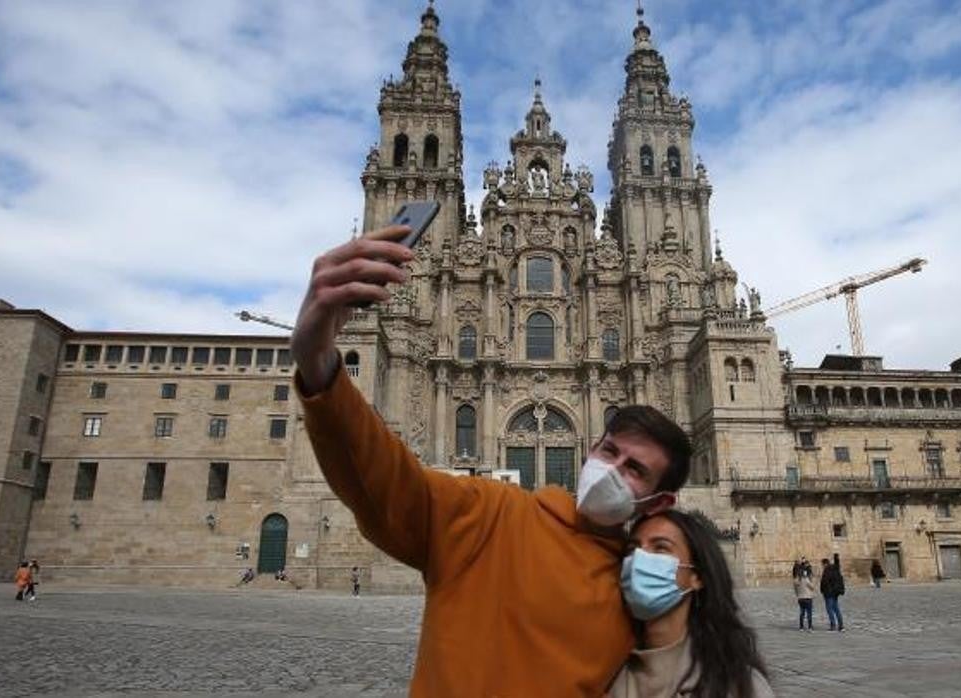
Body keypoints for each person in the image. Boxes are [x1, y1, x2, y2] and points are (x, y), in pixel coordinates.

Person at [291, 222, 693, 695]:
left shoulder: (645, 589)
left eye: (635, 470)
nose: (612, 471)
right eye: (609, 451)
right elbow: (386, 482)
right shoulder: (487, 515)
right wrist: (320, 367)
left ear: (659, 503)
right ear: (589, 450)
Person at [608, 510, 773, 697]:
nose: (639, 558)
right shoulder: (601, 675)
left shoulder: (739, 686)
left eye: (661, 548)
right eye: (632, 549)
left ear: (696, 576)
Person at [820, 553, 845, 631]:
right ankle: (841, 626)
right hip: (835, 592)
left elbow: (825, 582)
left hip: (828, 593)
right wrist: (836, 558)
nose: (822, 566)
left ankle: (833, 625)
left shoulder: (827, 570)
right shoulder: (834, 569)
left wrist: (822, 590)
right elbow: (837, 564)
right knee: (836, 608)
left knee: (829, 609)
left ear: (825, 564)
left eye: (822, 565)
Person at [794, 565, 815, 630]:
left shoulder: (796, 581)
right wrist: (812, 581)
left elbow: (796, 590)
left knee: (802, 613)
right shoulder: (806, 580)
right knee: (809, 613)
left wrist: (798, 595)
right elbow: (812, 587)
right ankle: (810, 626)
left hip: (800, 598)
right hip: (808, 598)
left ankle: (801, 626)